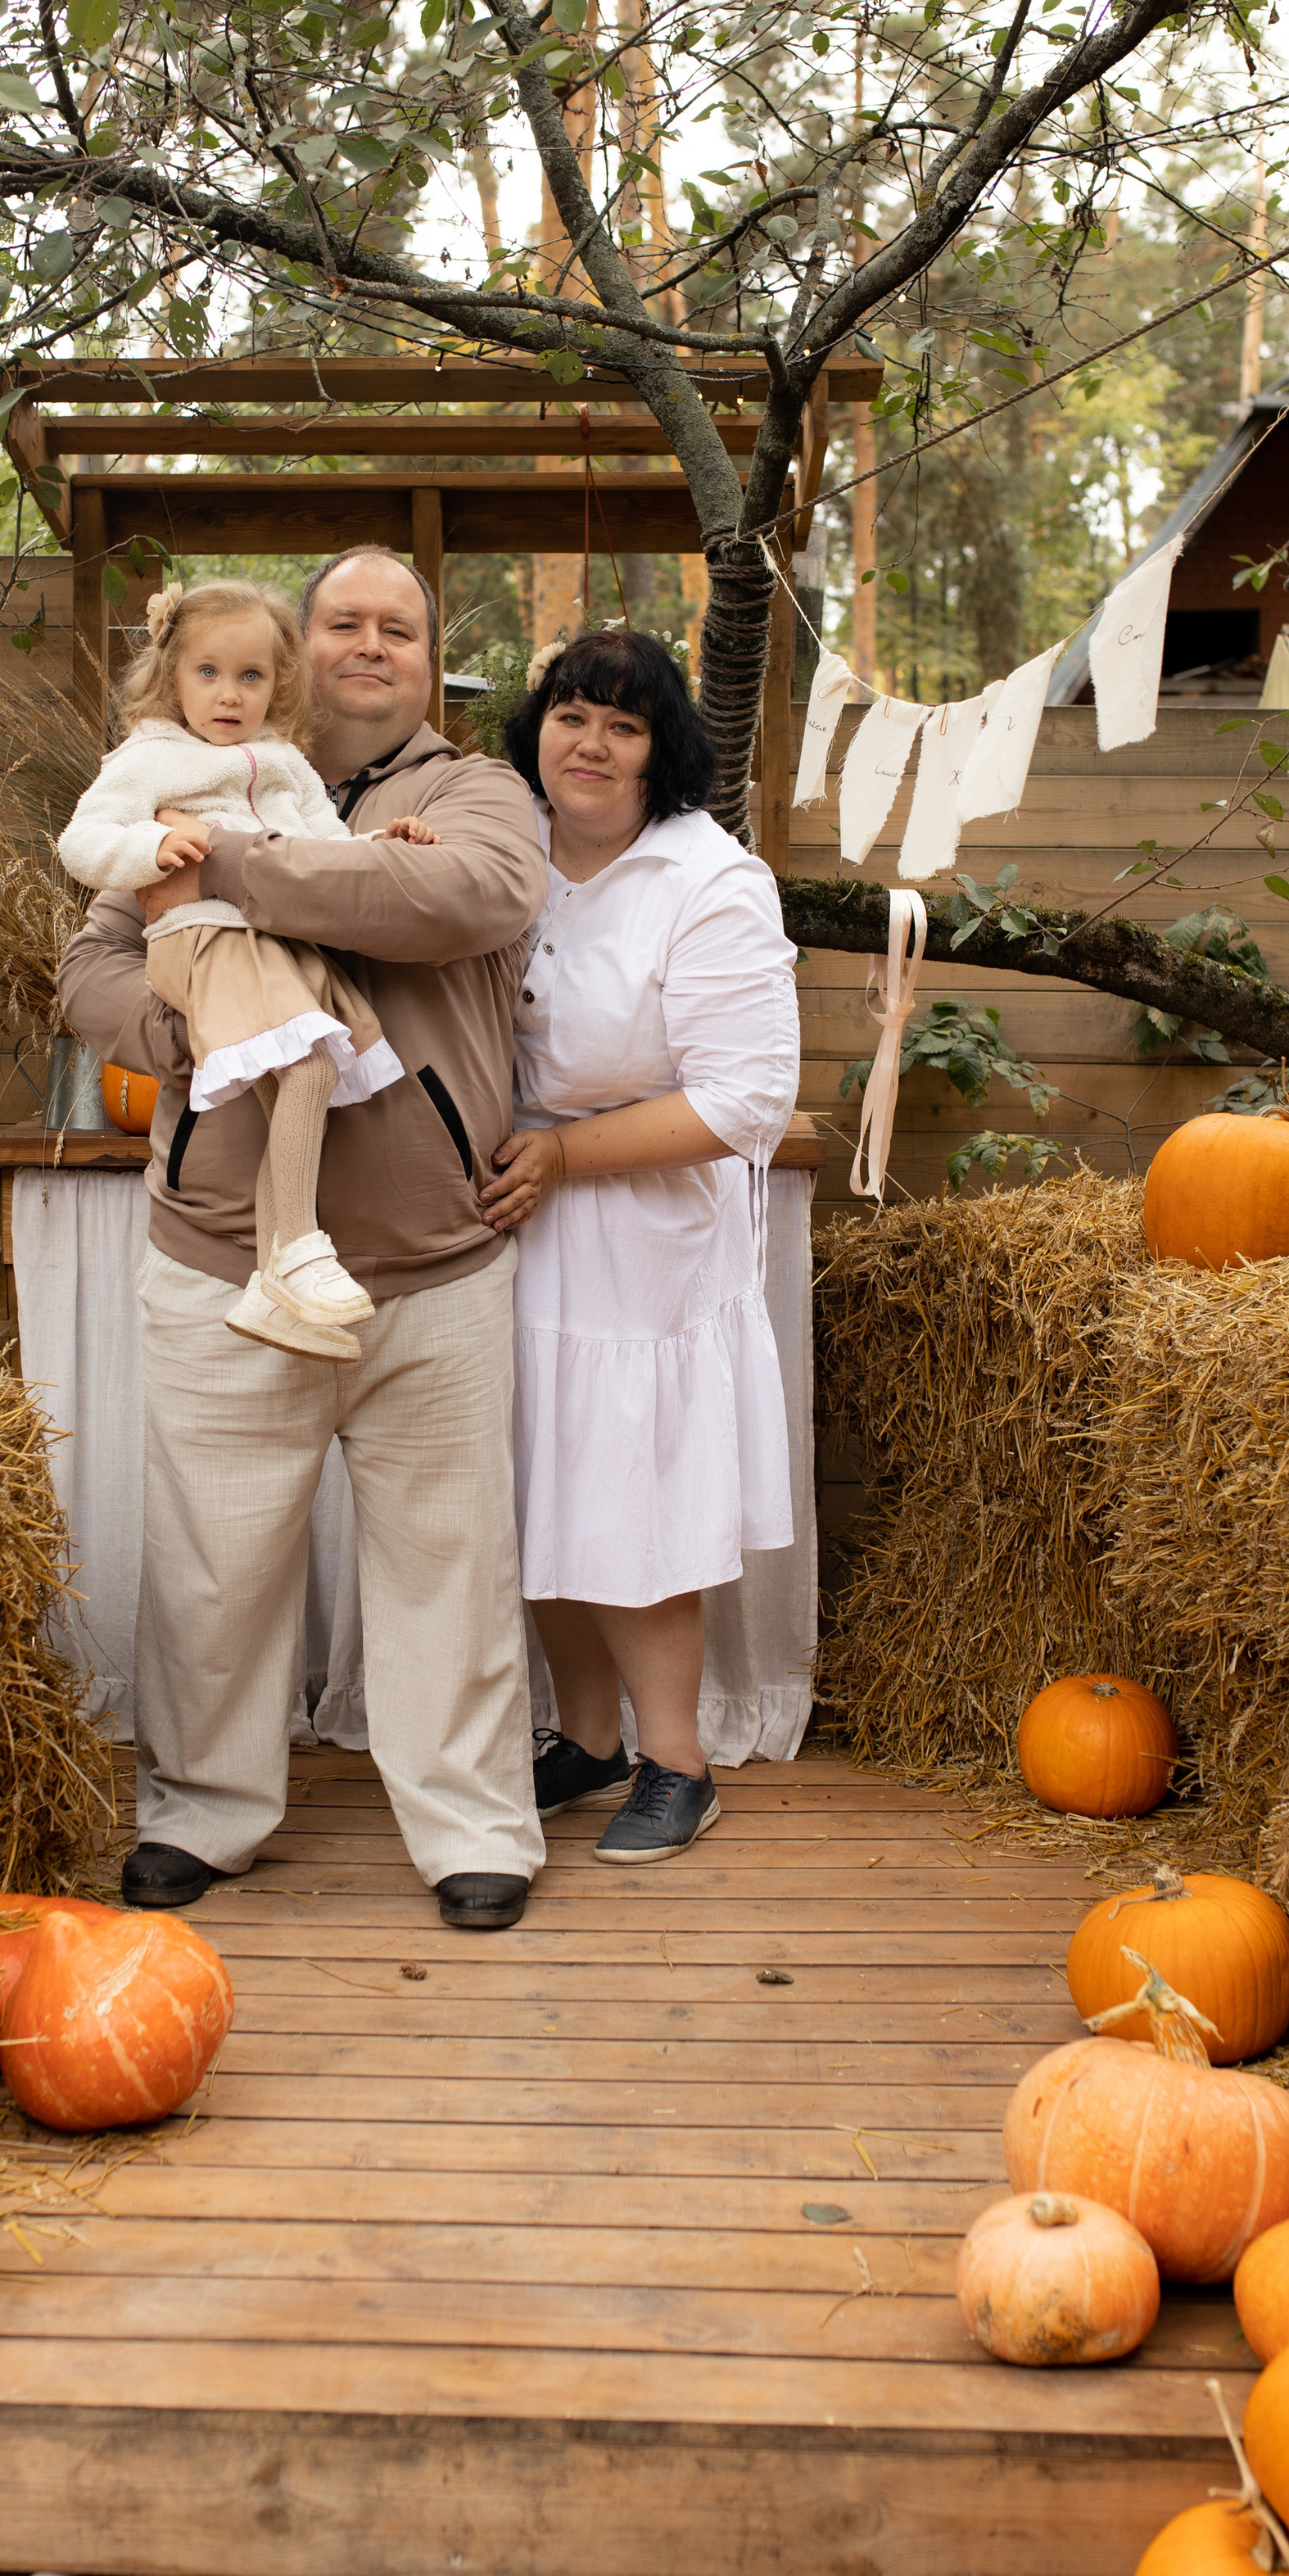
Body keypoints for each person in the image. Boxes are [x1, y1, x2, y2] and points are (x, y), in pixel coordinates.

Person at [57, 544, 551, 1931]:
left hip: (428, 1266)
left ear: (428, 653)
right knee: (215, 1560)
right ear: (297, 645)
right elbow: (90, 963)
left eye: (401, 626)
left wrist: (235, 872)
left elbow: (457, 901)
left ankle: (473, 1830)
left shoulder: (474, 793)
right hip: (219, 1253)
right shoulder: (180, 774)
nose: (372, 645)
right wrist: (209, 1030)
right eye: (345, 621)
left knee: (448, 1564)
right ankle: (204, 1814)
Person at [477, 627, 801, 1863]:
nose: (592, 744)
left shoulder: (708, 880)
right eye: (572, 715)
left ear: (661, 750)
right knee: (542, 1484)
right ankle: (588, 1739)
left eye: (624, 724)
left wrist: (561, 1153)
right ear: (538, 728)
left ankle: (678, 1760)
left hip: (641, 1231)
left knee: (633, 1498)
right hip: (516, 1218)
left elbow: (743, 1102)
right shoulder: (509, 849)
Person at [54, 577, 437, 1360]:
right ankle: (298, 1251)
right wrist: (149, 850)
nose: (229, 696)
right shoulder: (151, 756)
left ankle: (273, 1285)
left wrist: (382, 850)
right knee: (306, 1072)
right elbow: (82, 841)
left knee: (307, 1079)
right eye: (209, 673)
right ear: (172, 678)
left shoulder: (286, 765)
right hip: (201, 940)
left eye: (251, 677)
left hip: (274, 948)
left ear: (280, 684)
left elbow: (320, 853)